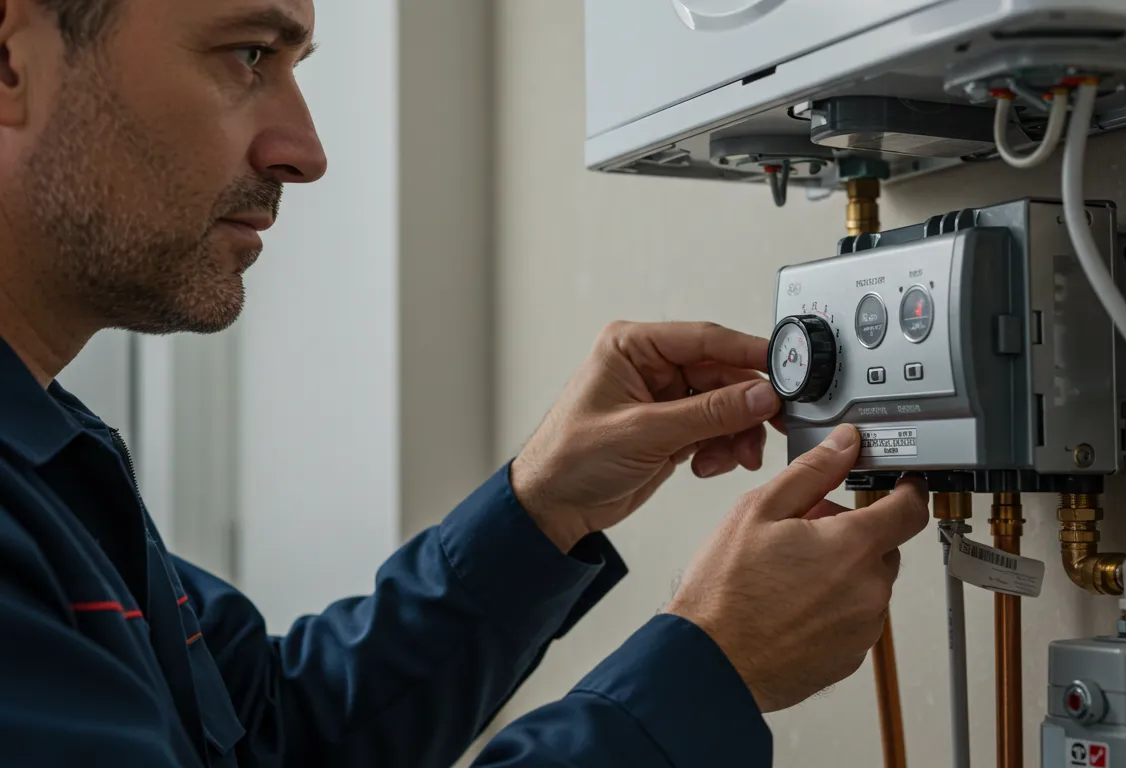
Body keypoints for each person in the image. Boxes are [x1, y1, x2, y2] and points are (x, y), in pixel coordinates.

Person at [0, 1, 931, 766]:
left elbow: (274, 737)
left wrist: (539, 510)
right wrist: (710, 666)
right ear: (11, 57)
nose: (305, 149)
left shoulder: (51, 459)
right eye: (248, 55)